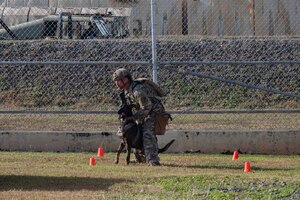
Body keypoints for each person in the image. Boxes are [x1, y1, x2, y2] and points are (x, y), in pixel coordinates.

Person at [113, 68, 165, 166]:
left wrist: (135, 118)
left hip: (154, 111)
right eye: (116, 81)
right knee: (134, 131)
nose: (116, 83)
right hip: (142, 112)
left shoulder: (137, 91)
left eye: (118, 81)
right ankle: (140, 157)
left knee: (147, 131)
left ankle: (153, 160)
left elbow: (147, 106)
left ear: (126, 80)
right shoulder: (126, 91)